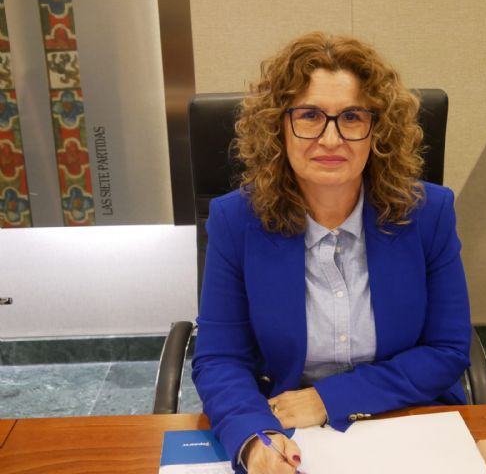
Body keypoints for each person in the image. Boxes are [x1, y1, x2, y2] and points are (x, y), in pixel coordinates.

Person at [192, 32, 471, 474]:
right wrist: (255, 441)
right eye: (309, 115)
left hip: (408, 421)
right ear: (277, 127)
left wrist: (328, 399)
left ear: (377, 131)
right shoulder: (235, 221)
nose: (331, 138)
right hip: (287, 430)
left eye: (352, 117)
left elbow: (447, 349)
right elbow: (221, 358)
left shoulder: (428, 213)